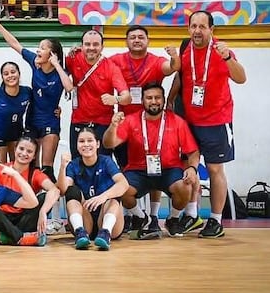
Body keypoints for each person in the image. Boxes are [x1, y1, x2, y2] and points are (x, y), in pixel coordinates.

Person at [167, 10, 247, 238]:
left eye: (203, 27)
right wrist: (171, 99)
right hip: (190, 119)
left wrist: (228, 58)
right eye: (194, 26)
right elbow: (180, 76)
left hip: (216, 120)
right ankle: (192, 215)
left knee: (214, 169)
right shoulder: (186, 49)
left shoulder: (222, 51)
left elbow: (241, 78)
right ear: (188, 28)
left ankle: (216, 220)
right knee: (189, 167)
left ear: (212, 30)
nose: (197, 31)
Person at [103, 84, 201, 240]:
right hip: (138, 170)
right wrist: (113, 126)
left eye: (157, 98)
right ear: (142, 100)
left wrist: (192, 168)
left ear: (163, 100)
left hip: (169, 170)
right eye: (149, 98)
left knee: (185, 186)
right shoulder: (131, 120)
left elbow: (193, 152)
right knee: (121, 188)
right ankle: (141, 217)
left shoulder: (177, 121)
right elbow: (109, 143)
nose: (153, 101)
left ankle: (173, 219)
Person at [108, 25, 181, 234]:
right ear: (126, 41)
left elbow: (173, 67)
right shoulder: (116, 60)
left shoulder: (156, 61)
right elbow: (95, 65)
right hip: (126, 126)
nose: (137, 40)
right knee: (127, 171)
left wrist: (175, 56)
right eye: (132, 37)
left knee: (154, 169)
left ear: (148, 41)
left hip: (153, 125)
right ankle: (138, 216)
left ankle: (155, 215)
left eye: (141, 37)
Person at [0, 13, 72, 180]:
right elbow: (15, 44)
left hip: (50, 122)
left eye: (42, 48)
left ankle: (50, 202)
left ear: (52, 54)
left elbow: (69, 87)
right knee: (31, 167)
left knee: (46, 169)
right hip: (32, 122)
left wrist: (56, 64)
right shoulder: (35, 63)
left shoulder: (60, 72)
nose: (37, 50)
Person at [58, 128, 129, 251]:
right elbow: (63, 190)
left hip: (108, 219)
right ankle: (80, 231)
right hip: (86, 221)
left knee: (114, 193)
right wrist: (62, 167)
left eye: (89, 140)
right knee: (72, 190)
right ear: (77, 145)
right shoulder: (73, 165)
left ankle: (105, 233)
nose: (86, 144)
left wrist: (103, 196)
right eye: (81, 141)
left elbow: (124, 184)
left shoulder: (106, 161)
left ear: (97, 144)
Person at [64, 30, 130, 159]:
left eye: (95, 45)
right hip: (78, 121)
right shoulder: (72, 58)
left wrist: (115, 99)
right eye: (87, 44)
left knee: (103, 163)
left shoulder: (111, 67)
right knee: (78, 163)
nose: (91, 48)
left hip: (103, 124)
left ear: (102, 47)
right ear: (81, 46)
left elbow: (127, 97)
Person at [0, 136, 61, 246]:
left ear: (34, 156)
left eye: (29, 151)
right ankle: (21, 238)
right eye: (21, 149)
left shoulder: (35, 174)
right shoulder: (1, 168)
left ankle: (5, 237)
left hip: (23, 218)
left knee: (43, 198)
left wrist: (43, 211)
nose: (24, 153)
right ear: (15, 149)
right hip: (1, 218)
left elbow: (55, 190)